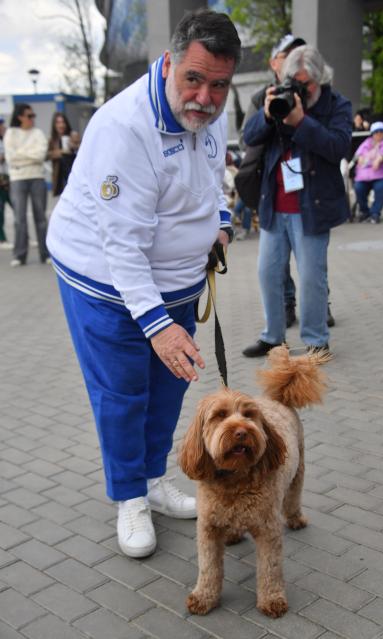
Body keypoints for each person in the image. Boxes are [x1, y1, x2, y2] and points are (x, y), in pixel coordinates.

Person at [46, 9, 241, 558]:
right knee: (123, 392)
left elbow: (211, 178)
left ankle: (154, 479)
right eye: (194, 79)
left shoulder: (210, 112)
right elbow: (122, 245)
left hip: (177, 279)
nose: (204, 96)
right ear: (169, 62)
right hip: (104, 280)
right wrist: (156, 326)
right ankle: (129, 495)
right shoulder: (123, 127)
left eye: (218, 85)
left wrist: (220, 222)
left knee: (169, 387)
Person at [242, 45, 352, 359]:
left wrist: (302, 121)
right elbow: (249, 136)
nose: (301, 89)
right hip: (274, 204)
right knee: (267, 273)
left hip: (311, 207)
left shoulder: (336, 104)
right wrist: (266, 114)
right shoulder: (277, 94)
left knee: (311, 278)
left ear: (321, 79)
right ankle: (273, 338)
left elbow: (338, 147)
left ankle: (317, 341)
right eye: (296, 81)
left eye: (308, 83)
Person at [239, 35, 306, 328]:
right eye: (286, 54)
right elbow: (249, 136)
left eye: (297, 53)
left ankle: (320, 304)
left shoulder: (312, 91)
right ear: (273, 62)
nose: (292, 58)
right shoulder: (260, 96)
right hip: (273, 188)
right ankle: (286, 306)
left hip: (308, 191)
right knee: (272, 265)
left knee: (311, 262)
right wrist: (268, 113)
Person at [3, 103, 49, 266]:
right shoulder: (11, 133)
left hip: (37, 177)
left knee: (41, 217)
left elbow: (41, 154)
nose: (32, 119)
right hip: (17, 179)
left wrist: (21, 155)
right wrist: (31, 156)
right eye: (29, 116)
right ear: (19, 117)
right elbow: (10, 158)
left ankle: (46, 253)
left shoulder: (38, 133)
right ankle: (19, 255)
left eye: (33, 115)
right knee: (19, 218)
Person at [354, 121, 383, 224]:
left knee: (380, 188)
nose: (379, 134)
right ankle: (364, 212)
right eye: (376, 132)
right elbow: (356, 154)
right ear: (372, 133)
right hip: (363, 175)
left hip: (382, 173)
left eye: (381, 131)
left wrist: (381, 158)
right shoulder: (366, 143)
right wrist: (359, 157)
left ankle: (375, 213)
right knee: (358, 188)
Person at [48, 112, 80, 196]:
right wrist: (61, 151)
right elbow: (47, 155)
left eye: (63, 122)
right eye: (58, 122)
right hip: (60, 174)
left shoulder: (73, 135)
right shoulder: (52, 140)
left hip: (73, 172)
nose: (61, 125)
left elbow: (82, 150)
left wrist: (74, 146)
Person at [0, 117, 13, 249]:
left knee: (16, 207)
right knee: (1, 210)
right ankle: (1, 239)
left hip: (7, 178)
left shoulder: (5, 139)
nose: (3, 127)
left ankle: (25, 237)